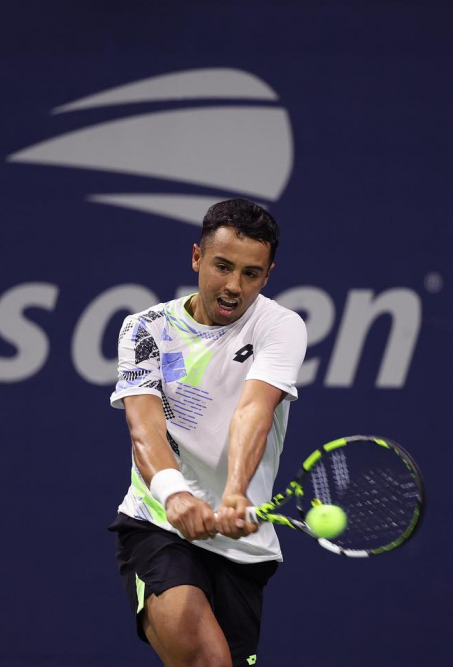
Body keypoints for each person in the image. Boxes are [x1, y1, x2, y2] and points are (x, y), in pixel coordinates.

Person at [107, 198, 308, 667]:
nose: (234, 287)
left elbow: (253, 412)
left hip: (242, 549)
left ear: (268, 274)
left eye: (251, 274)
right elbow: (145, 429)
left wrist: (235, 492)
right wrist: (176, 495)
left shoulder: (281, 327)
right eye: (222, 266)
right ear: (196, 257)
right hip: (158, 525)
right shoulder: (145, 329)